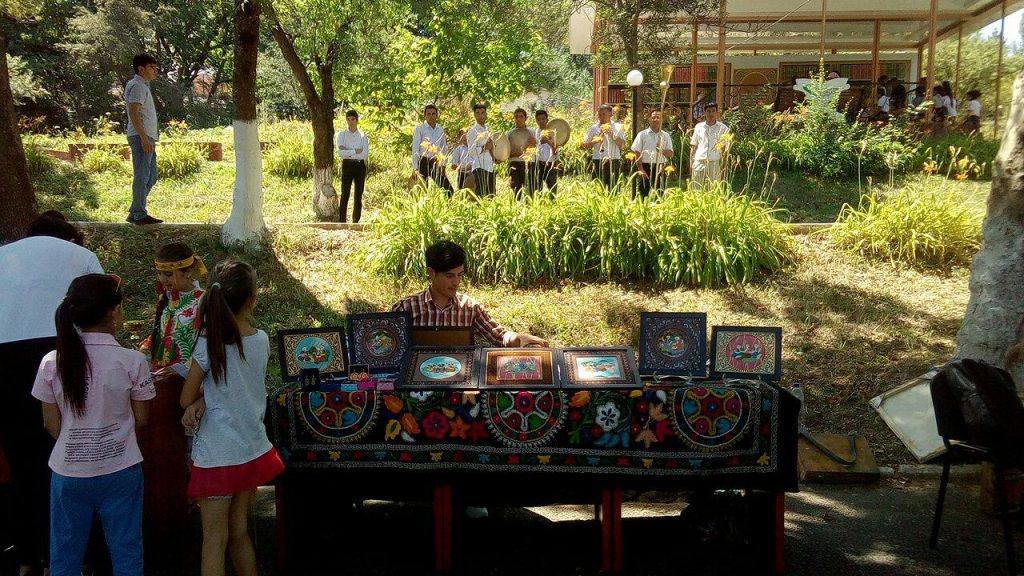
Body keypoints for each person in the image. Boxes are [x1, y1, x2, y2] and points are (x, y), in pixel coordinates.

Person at [0, 212, 103, 576]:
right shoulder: (80, 255)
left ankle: (28, 553)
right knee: (70, 455)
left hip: (5, 360)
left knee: (21, 460)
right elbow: (101, 309)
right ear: (69, 236)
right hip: (62, 353)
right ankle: (75, 554)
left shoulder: (4, 254)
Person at [32, 274, 154, 576]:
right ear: (114, 312)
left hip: (68, 471)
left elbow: (51, 424)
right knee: (127, 552)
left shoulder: (52, 362)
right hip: (121, 468)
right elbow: (142, 418)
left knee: (64, 555)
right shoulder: (133, 361)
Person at [180, 260, 284, 576]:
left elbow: (184, 398)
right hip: (249, 448)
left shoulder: (207, 343)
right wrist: (206, 398)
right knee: (239, 532)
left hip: (217, 455)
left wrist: (201, 400)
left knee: (214, 540)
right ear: (251, 300)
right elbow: (238, 387)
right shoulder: (261, 339)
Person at [392, 240, 548, 348]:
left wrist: (519, 338)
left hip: (460, 381)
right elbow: (390, 350)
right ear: (431, 273)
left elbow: (499, 336)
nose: (456, 282)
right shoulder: (406, 308)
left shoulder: (469, 308)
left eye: (460, 275)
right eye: (449, 276)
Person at [141, 242, 207, 372]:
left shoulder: (203, 300)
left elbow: (208, 345)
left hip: (190, 375)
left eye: (168, 274)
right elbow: (164, 332)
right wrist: (147, 346)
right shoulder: (166, 297)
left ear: (188, 272)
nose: (162, 279)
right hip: (162, 372)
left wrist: (180, 369)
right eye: (159, 273)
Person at [124, 53, 163, 225]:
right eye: (151, 67)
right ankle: (139, 213)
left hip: (147, 137)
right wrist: (144, 138)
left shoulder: (143, 86)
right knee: (142, 175)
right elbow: (134, 112)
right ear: (141, 69)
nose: (155, 71)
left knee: (151, 175)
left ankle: (136, 209)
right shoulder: (138, 86)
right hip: (142, 137)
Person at [630, 110, 674, 198]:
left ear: (662, 120)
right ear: (650, 119)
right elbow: (637, 152)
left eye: (658, 117)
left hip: (660, 167)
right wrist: (640, 169)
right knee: (643, 194)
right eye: (653, 117)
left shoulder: (665, 136)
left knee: (660, 194)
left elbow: (670, 154)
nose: (655, 119)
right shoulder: (642, 134)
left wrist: (661, 150)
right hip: (645, 167)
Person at [582, 104, 626, 190]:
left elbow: (623, 146)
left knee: (614, 188)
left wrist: (612, 134)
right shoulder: (594, 128)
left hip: (614, 160)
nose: (601, 117)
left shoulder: (618, 127)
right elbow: (584, 146)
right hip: (598, 160)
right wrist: (595, 141)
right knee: (597, 188)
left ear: (611, 114)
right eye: (599, 114)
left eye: (603, 114)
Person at [336, 110, 369, 223]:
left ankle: (356, 220)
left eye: (353, 119)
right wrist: (355, 151)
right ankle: (342, 220)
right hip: (347, 164)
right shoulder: (342, 135)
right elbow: (340, 152)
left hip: (359, 165)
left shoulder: (363, 135)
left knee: (358, 193)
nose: (351, 122)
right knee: (345, 192)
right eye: (348, 119)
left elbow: (364, 154)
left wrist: (347, 150)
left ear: (357, 120)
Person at [412, 104, 453, 192]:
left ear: (436, 115)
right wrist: (415, 168)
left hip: (435, 162)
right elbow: (415, 149)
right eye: (428, 114)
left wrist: (443, 165)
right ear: (425, 116)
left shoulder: (440, 129)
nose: (431, 116)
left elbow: (444, 148)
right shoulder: (420, 129)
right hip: (422, 161)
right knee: (422, 191)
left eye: (433, 114)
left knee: (448, 190)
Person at [689, 102, 729, 188]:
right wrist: (691, 162)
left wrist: (724, 165)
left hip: (714, 162)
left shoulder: (723, 128)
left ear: (717, 112)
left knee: (713, 189)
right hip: (699, 161)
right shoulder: (698, 127)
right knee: (696, 188)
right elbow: (694, 145)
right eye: (708, 111)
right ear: (704, 113)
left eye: (713, 111)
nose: (711, 114)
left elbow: (725, 148)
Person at [466, 103, 497, 196]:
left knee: (491, 195)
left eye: (482, 113)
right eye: (477, 113)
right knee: (480, 195)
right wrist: (485, 147)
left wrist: (495, 157)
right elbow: (471, 152)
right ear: (474, 115)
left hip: (490, 167)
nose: (480, 115)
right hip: (479, 167)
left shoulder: (488, 130)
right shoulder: (472, 131)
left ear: (486, 114)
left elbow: (491, 147)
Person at [506, 108, 537, 197]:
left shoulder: (533, 132)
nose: (518, 119)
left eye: (521, 117)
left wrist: (534, 144)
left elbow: (538, 149)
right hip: (514, 164)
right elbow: (506, 153)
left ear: (525, 118)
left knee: (531, 192)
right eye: (516, 117)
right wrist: (518, 153)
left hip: (529, 164)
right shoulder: (509, 133)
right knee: (516, 192)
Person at [529, 109, 559, 195]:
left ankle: (553, 202)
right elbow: (534, 148)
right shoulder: (535, 132)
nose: (541, 121)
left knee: (552, 188)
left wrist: (548, 141)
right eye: (538, 119)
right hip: (538, 163)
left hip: (550, 164)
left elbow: (556, 152)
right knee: (537, 188)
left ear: (547, 119)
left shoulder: (553, 132)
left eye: (543, 119)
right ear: (536, 121)